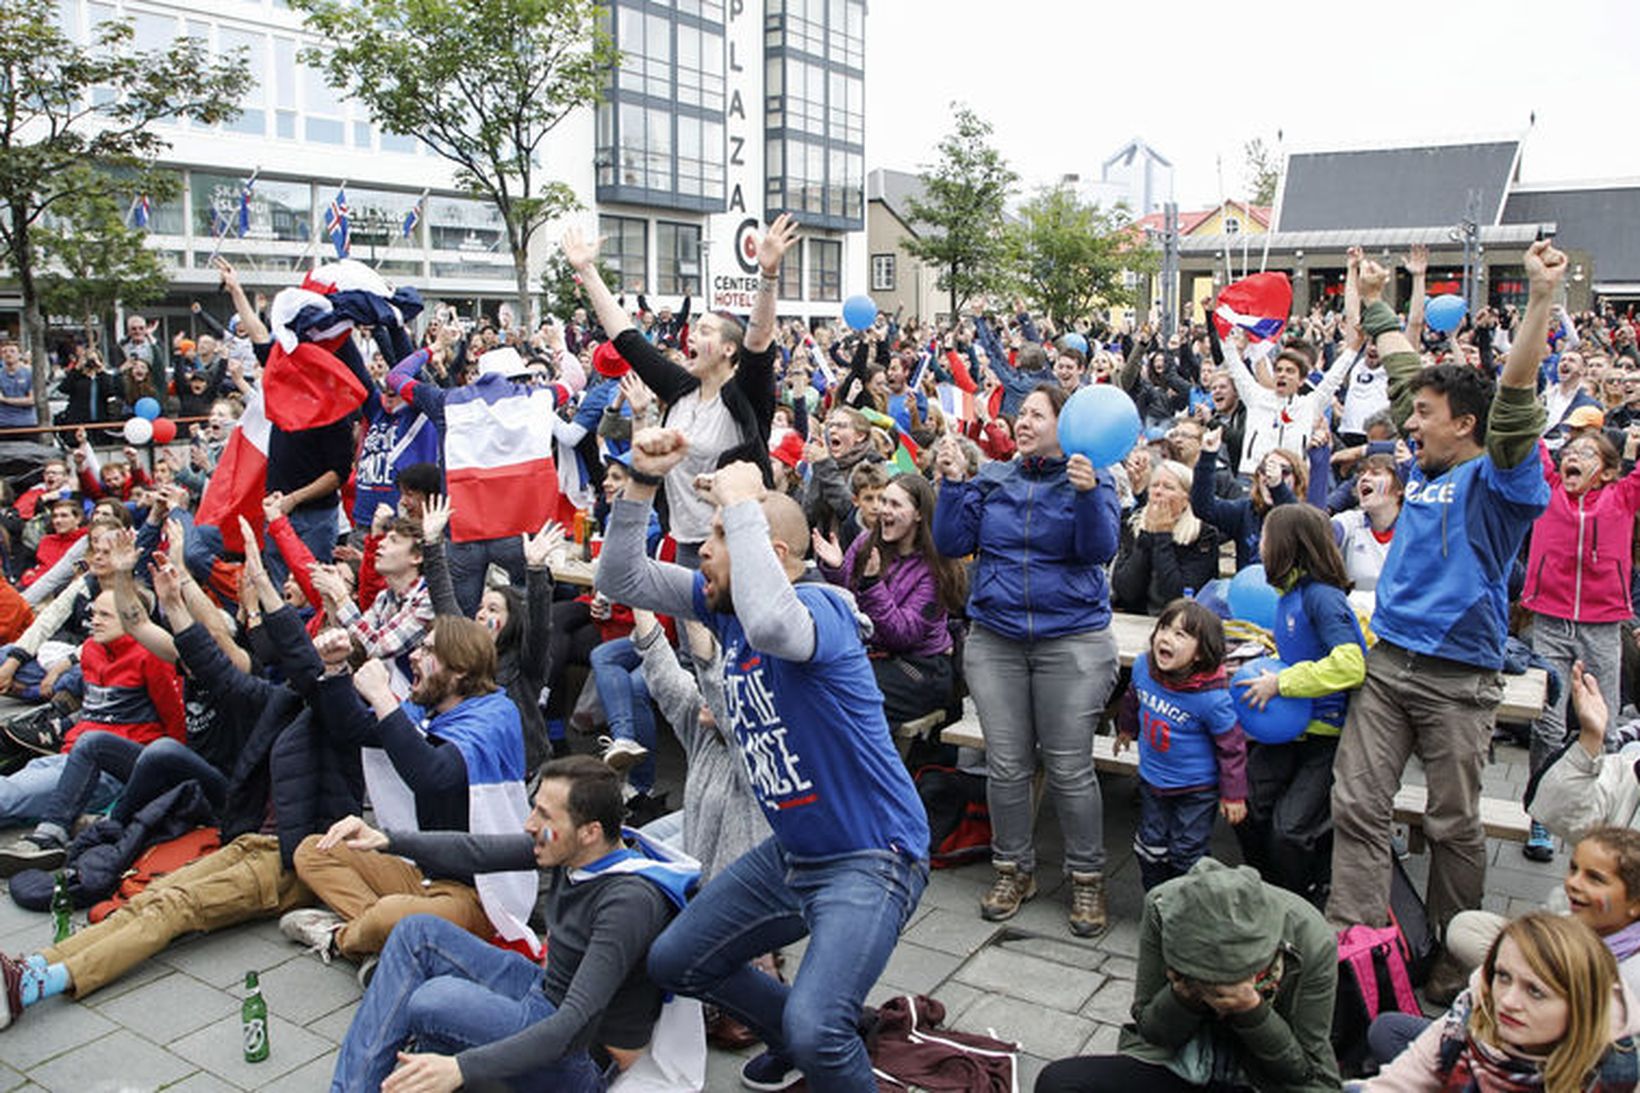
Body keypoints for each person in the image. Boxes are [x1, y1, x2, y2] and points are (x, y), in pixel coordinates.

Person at [599, 430, 929, 1092]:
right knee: (675, 960)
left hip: (872, 856)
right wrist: (639, 480)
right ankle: (810, 1034)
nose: (704, 554)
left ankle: (819, 1036)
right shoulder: (727, 610)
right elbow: (620, 576)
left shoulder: (821, 607)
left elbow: (778, 626)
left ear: (769, 553)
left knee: (818, 1025)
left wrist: (746, 501)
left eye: (717, 538)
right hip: (794, 854)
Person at [1328, 241, 1558, 935]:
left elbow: (1514, 398)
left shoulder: (1500, 479)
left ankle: (1454, 955)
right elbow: (1405, 371)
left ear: (1465, 424)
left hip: (1459, 680)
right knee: (1357, 804)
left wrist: (1541, 295)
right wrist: (1373, 299)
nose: (1410, 421)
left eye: (1427, 414)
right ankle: (1358, 945)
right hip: (1390, 663)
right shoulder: (1425, 473)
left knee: (1453, 822)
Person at [325, 755, 696, 1091]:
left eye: (544, 816)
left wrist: (461, 1068)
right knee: (415, 932)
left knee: (432, 1001)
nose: (530, 824)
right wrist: (387, 839)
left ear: (590, 832)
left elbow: (571, 1025)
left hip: (580, 1056)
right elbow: (476, 850)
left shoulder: (627, 902)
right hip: (543, 993)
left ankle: (433, 1068)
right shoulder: (574, 850)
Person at [932, 384, 1122, 936]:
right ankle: (1013, 869)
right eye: (1021, 414)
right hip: (997, 640)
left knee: (1068, 767)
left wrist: (1087, 496)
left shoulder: (1094, 477)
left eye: (1038, 414)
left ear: (1069, 425)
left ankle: (1087, 879)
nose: (1023, 422)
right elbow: (950, 542)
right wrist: (952, 485)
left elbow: (1099, 549)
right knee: (1007, 765)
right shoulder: (994, 478)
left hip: (1072, 641)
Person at [280, 617, 534, 966]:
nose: (414, 656)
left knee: (389, 914)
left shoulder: (495, 715)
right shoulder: (429, 706)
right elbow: (356, 730)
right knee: (314, 850)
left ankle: (344, 937)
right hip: (422, 872)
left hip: (480, 894)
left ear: (459, 670)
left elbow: (433, 775)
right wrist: (337, 669)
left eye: (428, 650)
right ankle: (380, 939)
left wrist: (382, 695)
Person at [562, 216, 797, 568]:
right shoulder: (682, 388)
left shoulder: (743, 394)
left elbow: (759, 339)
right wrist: (587, 271)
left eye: (704, 331)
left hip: (733, 546)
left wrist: (768, 276)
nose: (691, 336)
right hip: (683, 542)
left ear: (728, 350)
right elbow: (627, 338)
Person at [1035, 859, 1340, 1093]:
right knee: (1058, 1082)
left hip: (1262, 1078)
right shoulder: (1163, 908)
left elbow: (1303, 1072)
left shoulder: (1310, 939)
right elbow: (1151, 1031)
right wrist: (1183, 998)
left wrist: (1252, 1012)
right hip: (1183, 1061)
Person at [1235, 503, 1368, 906]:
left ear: (1289, 544)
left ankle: (1301, 904)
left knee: (1290, 830)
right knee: (1247, 808)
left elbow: (1351, 663)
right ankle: (1269, 894)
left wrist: (1282, 683)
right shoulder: (1287, 595)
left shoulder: (1322, 597)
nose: (1259, 543)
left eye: (1266, 536)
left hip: (1325, 738)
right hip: (1286, 733)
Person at [1518, 430, 1640, 860]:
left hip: (1603, 625)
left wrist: (1631, 448)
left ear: (1607, 472)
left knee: (1604, 724)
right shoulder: (1549, 488)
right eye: (1568, 452)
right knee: (1547, 721)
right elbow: (1529, 440)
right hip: (1550, 620)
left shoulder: (1623, 496)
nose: (1572, 457)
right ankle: (1541, 816)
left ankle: (1603, 820)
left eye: (1586, 454)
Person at [1360, 913, 1640, 1092]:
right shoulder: (1473, 1008)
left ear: (1580, 1005)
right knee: (1386, 1030)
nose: (1507, 1001)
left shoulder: (1612, 1074)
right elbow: (1395, 1083)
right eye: (1503, 976)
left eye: (1536, 992)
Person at [812, 471, 965, 726]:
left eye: (894, 504)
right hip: (873, 655)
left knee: (849, 698)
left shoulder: (934, 568)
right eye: (883, 501)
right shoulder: (866, 542)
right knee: (817, 682)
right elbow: (849, 604)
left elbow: (903, 635)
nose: (884, 510)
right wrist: (837, 570)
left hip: (921, 667)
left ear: (918, 514)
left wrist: (872, 585)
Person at [1114, 600, 1247, 891]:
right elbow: (1132, 698)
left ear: (1200, 654)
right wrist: (1126, 729)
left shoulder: (1212, 699)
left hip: (1196, 789)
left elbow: (1232, 746)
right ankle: (1158, 901)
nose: (1166, 637)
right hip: (1153, 779)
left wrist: (1233, 794)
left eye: (1180, 635)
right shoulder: (1142, 667)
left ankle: (1190, 908)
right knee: (1150, 847)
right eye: (1164, 628)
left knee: (1188, 852)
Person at [1112, 459, 1224, 616]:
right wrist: (1147, 536)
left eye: (1168, 487)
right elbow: (1126, 591)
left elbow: (1178, 596)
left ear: (1186, 498)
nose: (1158, 492)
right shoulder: (1133, 525)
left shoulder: (1204, 535)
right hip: (1134, 618)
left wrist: (1162, 537)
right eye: (1154, 485)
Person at [1329, 453, 1403, 593]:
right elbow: (1317, 536)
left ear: (1400, 488)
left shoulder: (1416, 527)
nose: (1364, 478)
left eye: (1375, 473)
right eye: (1362, 474)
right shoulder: (1349, 522)